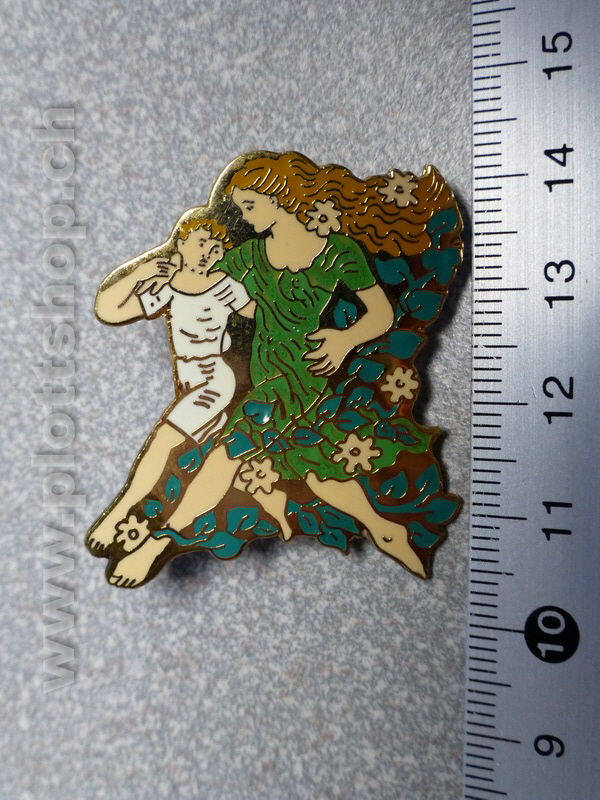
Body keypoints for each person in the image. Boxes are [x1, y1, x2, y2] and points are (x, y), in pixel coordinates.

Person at [108, 152, 455, 587]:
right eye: (239, 207)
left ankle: (159, 544)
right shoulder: (250, 255)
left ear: (281, 198)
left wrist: (343, 340)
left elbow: (381, 313)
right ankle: (388, 530)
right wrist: (160, 269)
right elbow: (198, 278)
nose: (242, 216)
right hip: (264, 374)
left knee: (226, 456)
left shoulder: (338, 252)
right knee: (316, 474)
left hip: (302, 375)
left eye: (249, 205)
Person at [86, 214, 254, 554]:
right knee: (190, 462)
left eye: (216, 248)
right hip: (189, 379)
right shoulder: (167, 286)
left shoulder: (225, 285)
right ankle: (150, 534)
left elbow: (263, 315)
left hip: (215, 379)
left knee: (164, 441)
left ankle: (120, 513)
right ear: (182, 242)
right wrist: (142, 271)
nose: (208, 253)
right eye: (202, 243)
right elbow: (109, 309)